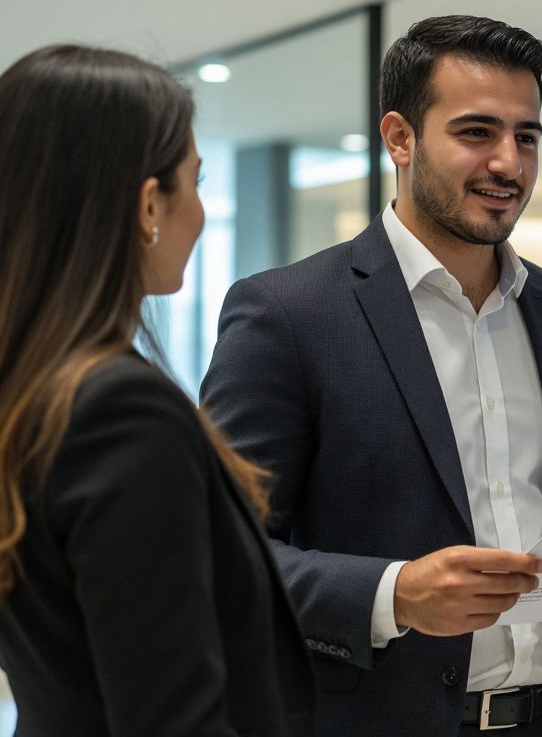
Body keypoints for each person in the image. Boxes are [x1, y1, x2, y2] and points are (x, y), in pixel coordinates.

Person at [201, 15, 542, 737]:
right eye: (477, 132)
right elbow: (216, 556)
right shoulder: (288, 314)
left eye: (527, 137)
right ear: (400, 138)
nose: (509, 162)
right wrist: (393, 595)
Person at [0, 45, 315, 736]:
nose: (200, 213)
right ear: (149, 202)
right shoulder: (120, 411)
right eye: (194, 183)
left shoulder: (30, 393)